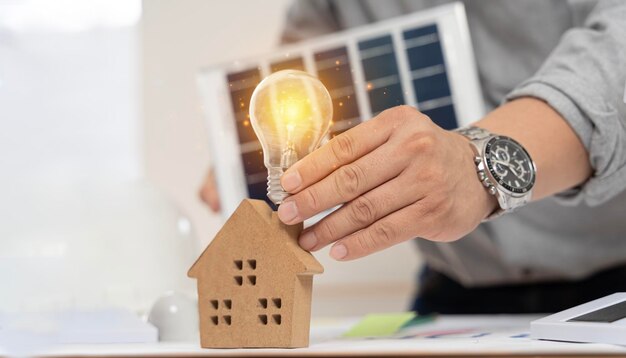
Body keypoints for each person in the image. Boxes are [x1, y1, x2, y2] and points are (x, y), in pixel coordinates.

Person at [200, 0, 626, 314]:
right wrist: (250, 153)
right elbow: (307, 62)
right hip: (455, 290)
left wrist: (476, 164)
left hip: (613, 280)